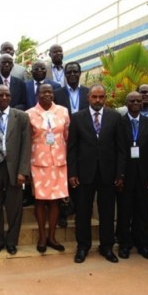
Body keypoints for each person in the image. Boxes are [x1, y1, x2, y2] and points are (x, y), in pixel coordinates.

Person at [67, 84, 125, 264]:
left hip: (108, 173)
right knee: (83, 211)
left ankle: (106, 246)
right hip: (84, 173)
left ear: (105, 98)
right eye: (94, 97)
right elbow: (72, 148)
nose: (98, 100)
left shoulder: (115, 117)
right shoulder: (77, 118)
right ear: (88, 98)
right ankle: (83, 246)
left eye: (101, 97)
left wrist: (120, 173)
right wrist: (73, 172)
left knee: (107, 211)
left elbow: (121, 148)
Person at [0, 84, 31, 255]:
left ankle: (11, 241)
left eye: (7, 95)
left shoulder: (22, 117)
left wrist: (23, 171)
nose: (4, 98)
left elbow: (26, 145)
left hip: (14, 168)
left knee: (14, 207)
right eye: (0, 95)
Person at [26, 84, 70, 254]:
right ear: (37, 94)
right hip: (38, 163)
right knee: (40, 200)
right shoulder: (29, 114)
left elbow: (67, 136)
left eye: (50, 92)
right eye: (43, 92)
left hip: (59, 162)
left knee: (55, 200)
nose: (47, 95)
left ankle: (52, 236)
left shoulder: (63, 111)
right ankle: (42, 237)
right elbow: (27, 140)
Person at [117, 91, 148, 260]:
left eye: (138, 101)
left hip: (144, 176)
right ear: (126, 103)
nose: (135, 103)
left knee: (143, 211)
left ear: (142, 103)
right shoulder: (119, 123)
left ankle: (143, 245)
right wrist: (118, 175)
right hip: (125, 175)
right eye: (132, 100)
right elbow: (117, 150)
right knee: (124, 211)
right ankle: (124, 244)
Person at [53, 61, 90, 227]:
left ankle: (77, 211)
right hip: (63, 140)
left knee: (80, 175)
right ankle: (63, 211)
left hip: (85, 140)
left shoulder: (88, 93)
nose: (72, 75)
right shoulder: (57, 93)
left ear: (80, 73)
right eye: (69, 72)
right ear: (65, 75)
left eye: (75, 72)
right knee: (64, 177)